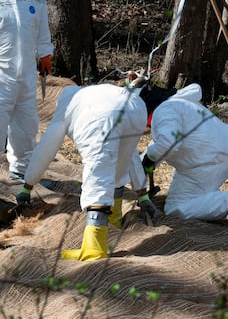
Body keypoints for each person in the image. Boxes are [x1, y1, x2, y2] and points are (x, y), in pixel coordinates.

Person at [15, 82, 161, 262]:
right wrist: (142, 194)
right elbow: (130, 155)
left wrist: (27, 186)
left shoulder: (68, 105)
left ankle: (94, 247)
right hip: (136, 107)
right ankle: (113, 221)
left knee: (98, 171)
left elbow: (46, 149)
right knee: (119, 161)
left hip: (101, 116)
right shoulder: (89, 95)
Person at [141, 83, 228, 227]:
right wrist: (144, 161)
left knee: (176, 207)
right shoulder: (177, 104)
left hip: (205, 161)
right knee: (195, 196)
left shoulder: (164, 110)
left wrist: (149, 159)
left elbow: (169, 142)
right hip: (219, 154)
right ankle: (218, 200)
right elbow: (160, 142)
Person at [0, 0, 53, 182]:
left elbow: (42, 24)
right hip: (0, 74)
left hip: (26, 75)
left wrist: (45, 54)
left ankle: (22, 174)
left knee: (26, 126)